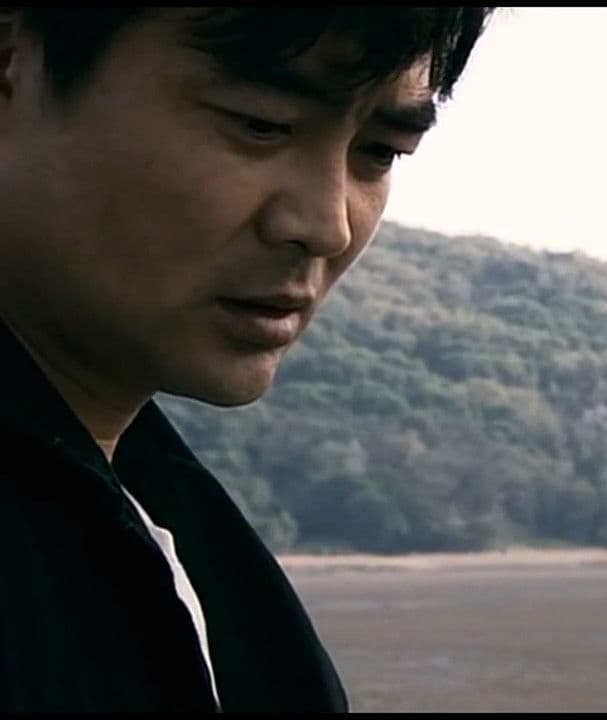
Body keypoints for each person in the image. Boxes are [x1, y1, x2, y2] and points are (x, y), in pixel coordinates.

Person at [0, 7, 491, 712]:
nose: (327, 225)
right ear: (11, 61)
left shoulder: (170, 535)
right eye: (261, 124)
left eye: (380, 152)